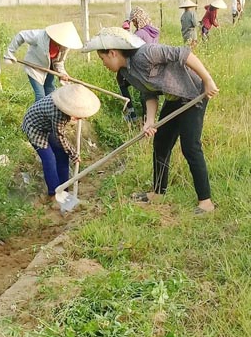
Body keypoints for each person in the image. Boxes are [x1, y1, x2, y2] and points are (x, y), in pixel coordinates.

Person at [83, 27, 219, 214]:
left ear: (113, 53)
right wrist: (150, 121)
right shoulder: (126, 73)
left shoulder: (146, 54)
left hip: (193, 94)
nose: (103, 63)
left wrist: (208, 81)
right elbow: (149, 93)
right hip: (174, 99)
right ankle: (158, 192)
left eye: (103, 59)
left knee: (190, 147)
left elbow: (184, 54)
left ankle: (206, 202)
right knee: (161, 143)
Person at [22, 84, 100, 202]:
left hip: (47, 125)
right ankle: (54, 194)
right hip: (34, 127)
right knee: (49, 159)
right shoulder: (58, 113)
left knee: (63, 154)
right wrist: (73, 153)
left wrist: (69, 152)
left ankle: (64, 189)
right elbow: (60, 137)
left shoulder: (66, 102)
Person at [3, 22, 83, 102]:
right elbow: (21, 35)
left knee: (50, 94)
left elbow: (59, 62)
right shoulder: (39, 36)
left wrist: (62, 74)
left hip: (49, 68)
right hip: (34, 67)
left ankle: (49, 114)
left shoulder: (65, 46)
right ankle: (36, 114)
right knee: (40, 96)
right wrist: (10, 54)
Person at [119, 7, 161, 122]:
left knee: (123, 82)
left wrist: (125, 33)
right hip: (155, 66)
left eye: (134, 21)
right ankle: (148, 118)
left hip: (142, 66)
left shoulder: (140, 33)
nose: (133, 23)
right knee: (150, 92)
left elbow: (130, 47)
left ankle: (132, 113)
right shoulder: (153, 31)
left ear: (137, 20)